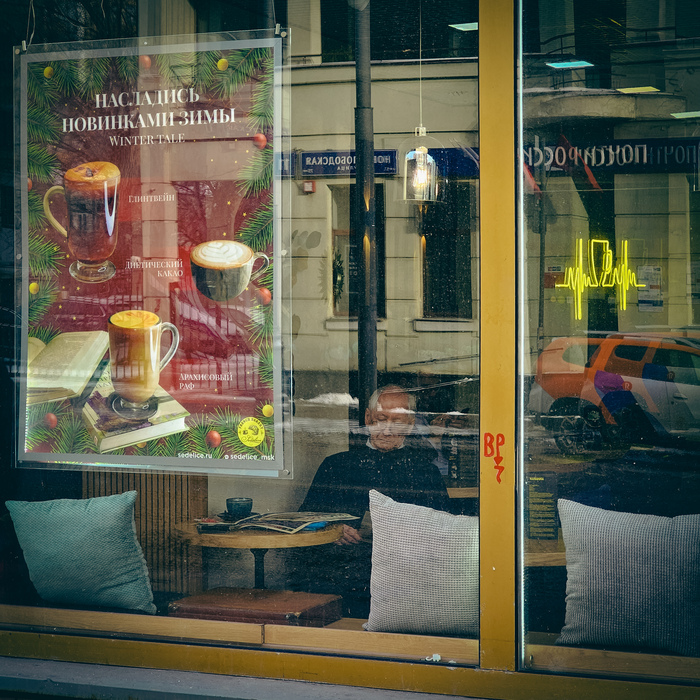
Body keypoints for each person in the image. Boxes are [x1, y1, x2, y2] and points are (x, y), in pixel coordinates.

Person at [291, 385, 451, 615]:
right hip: (344, 574)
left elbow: (444, 532)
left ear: (410, 424)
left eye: (397, 422)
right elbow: (304, 519)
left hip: (404, 577)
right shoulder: (336, 465)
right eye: (381, 419)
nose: (387, 430)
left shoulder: (426, 473)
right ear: (368, 418)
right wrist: (333, 529)